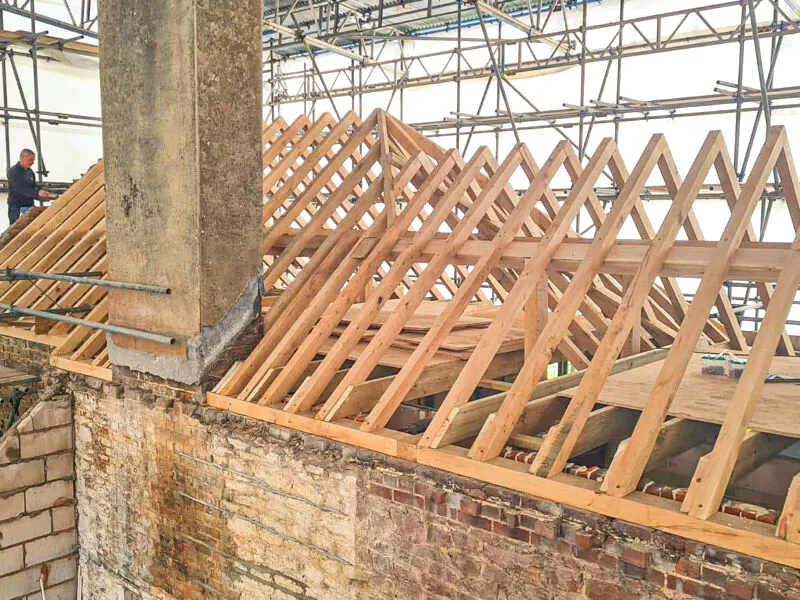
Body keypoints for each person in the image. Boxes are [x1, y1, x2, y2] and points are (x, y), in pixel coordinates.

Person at [7, 149, 54, 225]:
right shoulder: (13, 171)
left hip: (29, 205)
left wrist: (42, 195)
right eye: (30, 160)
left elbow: (33, 187)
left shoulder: (30, 172)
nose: (32, 162)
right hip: (16, 207)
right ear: (22, 158)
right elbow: (19, 189)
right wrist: (37, 193)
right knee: (15, 229)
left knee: (30, 226)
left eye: (33, 160)